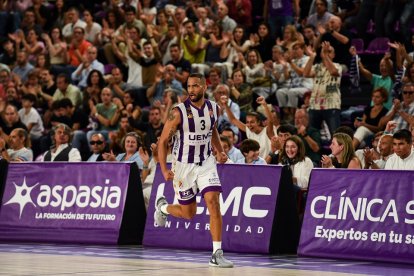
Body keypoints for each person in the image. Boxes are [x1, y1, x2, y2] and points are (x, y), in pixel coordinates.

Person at [155, 73, 233, 268]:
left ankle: (216, 253)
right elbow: (163, 141)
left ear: (204, 87)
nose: (191, 90)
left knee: (213, 202)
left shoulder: (214, 108)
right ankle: (163, 208)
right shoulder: (178, 112)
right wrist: (164, 169)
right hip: (183, 167)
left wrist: (220, 151)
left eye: (196, 86)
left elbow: (212, 130)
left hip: (206, 163)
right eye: (189, 86)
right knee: (189, 213)